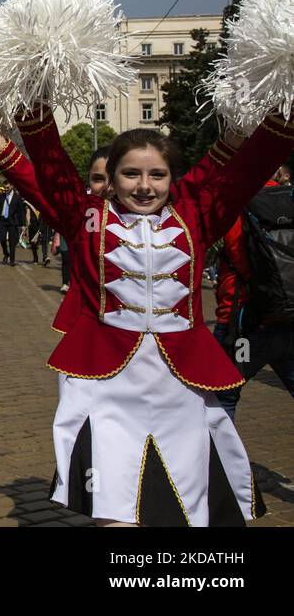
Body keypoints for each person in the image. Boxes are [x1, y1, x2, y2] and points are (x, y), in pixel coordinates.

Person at [18, 102, 294, 526]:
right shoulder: (87, 216)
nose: (144, 186)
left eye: (157, 175)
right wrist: (32, 94)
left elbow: (250, 169)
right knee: (113, 507)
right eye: (131, 174)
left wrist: (282, 106)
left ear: (172, 179)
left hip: (181, 381)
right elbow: (48, 160)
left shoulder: (196, 216)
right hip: (104, 380)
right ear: (110, 180)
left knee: (188, 504)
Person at [213, 159, 294, 418]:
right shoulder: (289, 198)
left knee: (223, 394)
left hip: (242, 321)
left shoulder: (233, 205)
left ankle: (223, 459)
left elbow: (236, 258)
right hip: (287, 314)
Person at [0, 186, 26, 265]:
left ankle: (12, 260)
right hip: (2, 220)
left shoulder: (17, 197)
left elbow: (21, 211)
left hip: (12, 221)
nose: (6, 189)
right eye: (5, 187)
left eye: (8, 187)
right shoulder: (1, 196)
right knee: (2, 239)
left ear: (12, 186)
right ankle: (6, 254)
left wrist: (23, 224)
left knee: (12, 241)